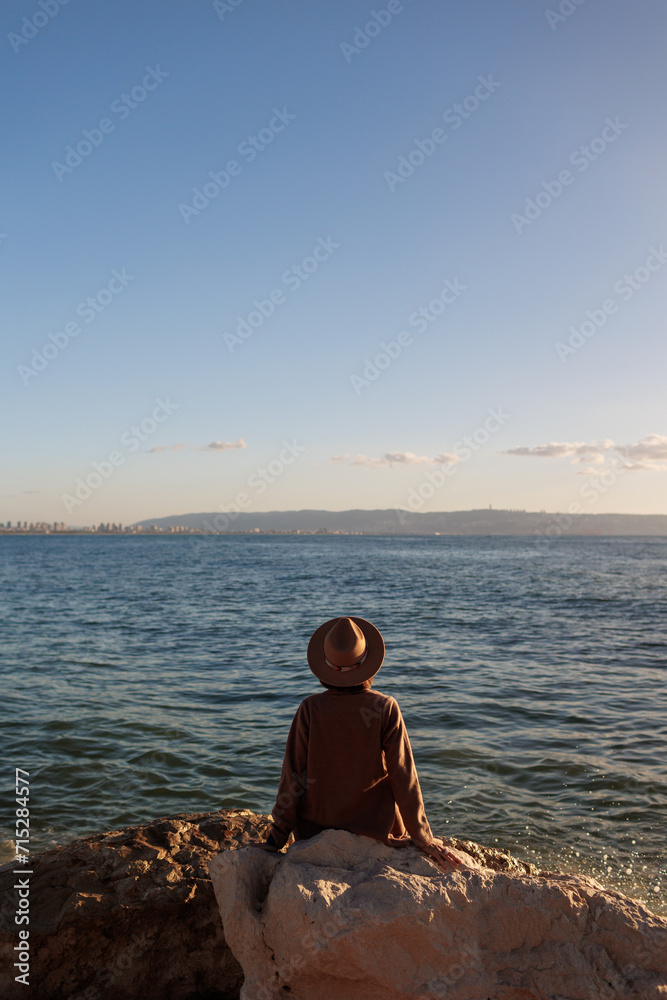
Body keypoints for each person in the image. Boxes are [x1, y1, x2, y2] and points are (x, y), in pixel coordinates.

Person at [259, 615, 463, 870]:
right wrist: (423, 838)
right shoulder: (384, 707)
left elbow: (294, 778)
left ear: (327, 665)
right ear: (367, 663)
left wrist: (275, 839)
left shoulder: (310, 709)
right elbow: (404, 778)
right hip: (376, 829)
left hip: (316, 830)